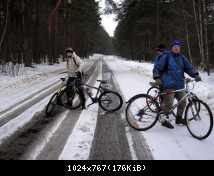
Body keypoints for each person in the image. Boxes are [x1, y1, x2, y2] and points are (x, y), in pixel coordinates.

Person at [153, 40, 202, 129]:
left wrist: (195, 74)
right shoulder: (166, 56)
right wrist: (157, 78)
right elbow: (157, 67)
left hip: (179, 85)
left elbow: (189, 67)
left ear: (180, 48)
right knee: (169, 104)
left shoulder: (182, 57)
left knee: (183, 101)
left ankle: (178, 118)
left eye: (178, 46)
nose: (176, 48)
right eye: (174, 46)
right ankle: (162, 119)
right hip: (169, 84)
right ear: (171, 48)